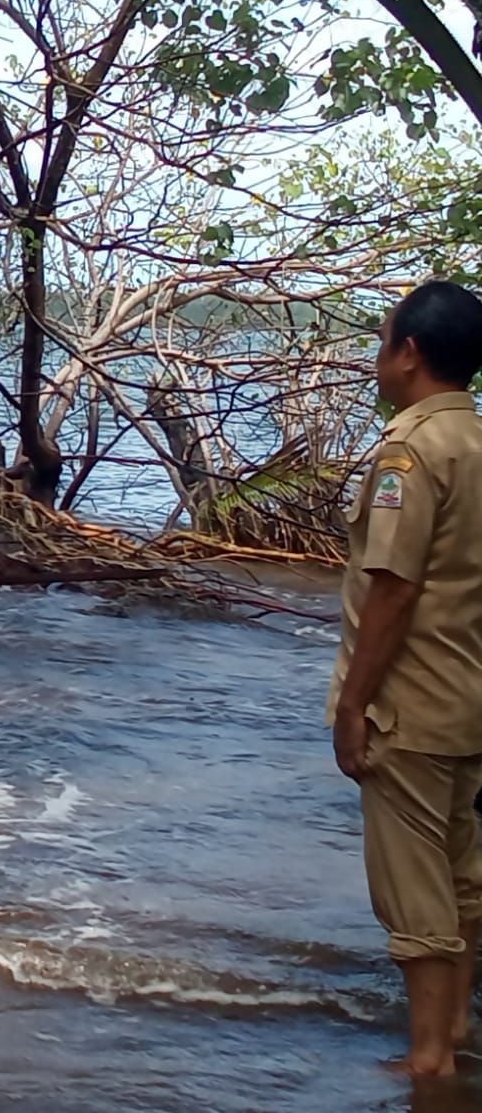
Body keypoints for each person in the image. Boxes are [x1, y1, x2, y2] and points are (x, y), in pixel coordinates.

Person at [329, 279, 482, 1078]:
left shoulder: (412, 450)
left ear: (410, 352)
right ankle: (452, 1034)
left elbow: (394, 583)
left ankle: (430, 1062)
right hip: (467, 698)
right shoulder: (477, 441)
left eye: (383, 340)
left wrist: (353, 703)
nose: (378, 356)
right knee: (463, 879)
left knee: (416, 892)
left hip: (410, 707)